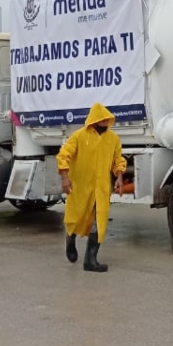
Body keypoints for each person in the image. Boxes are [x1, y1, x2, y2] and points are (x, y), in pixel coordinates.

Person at [56, 103, 127, 273]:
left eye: (106, 121)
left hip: (101, 189)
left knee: (99, 221)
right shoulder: (79, 136)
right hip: (80, 187)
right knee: (75, 217)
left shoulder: (113, 139)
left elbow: (118, 160)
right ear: (93, 120)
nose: (104, 124)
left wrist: (119, 177)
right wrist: (65, 179)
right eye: (101, 120)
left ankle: (90, 260)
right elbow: (63, 155)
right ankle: (70, 239)